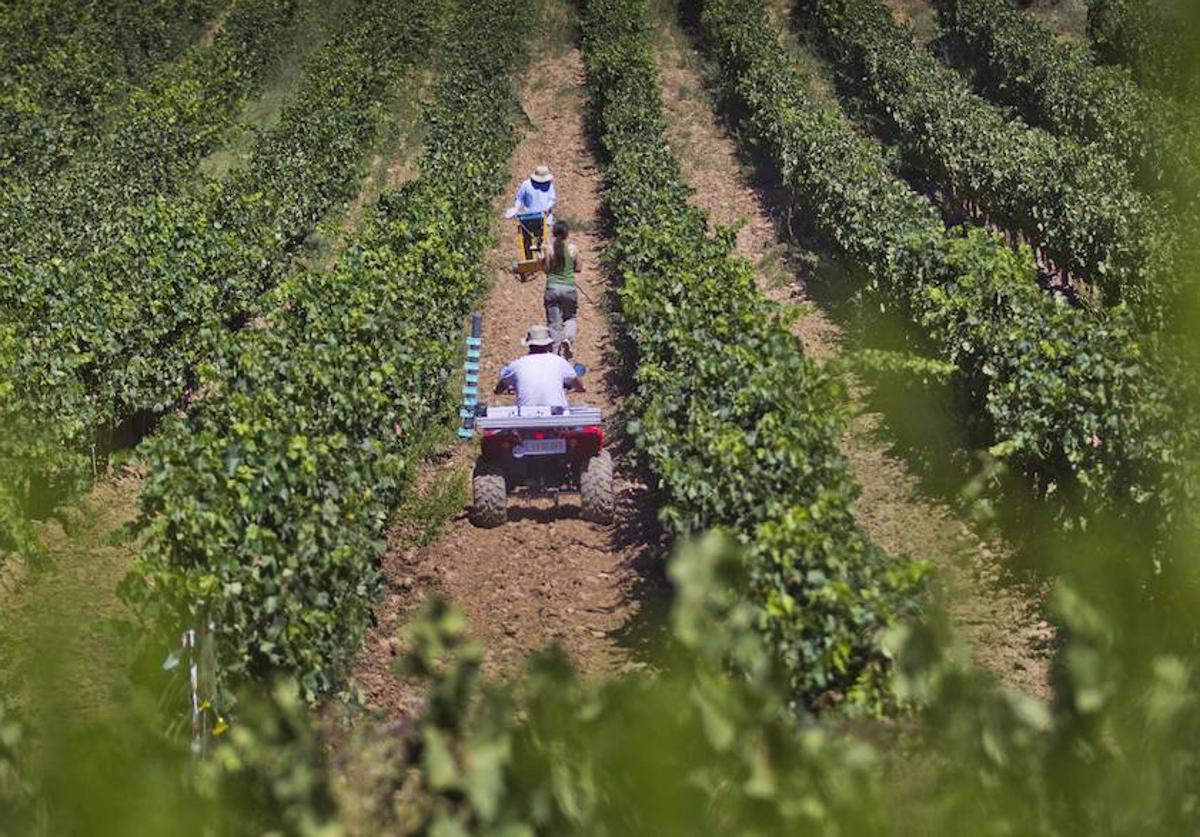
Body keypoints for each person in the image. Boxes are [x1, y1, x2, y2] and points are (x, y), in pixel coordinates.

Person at [495, 324, 584, 409]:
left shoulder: (517, 365)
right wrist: (579, 388)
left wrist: (500, 390)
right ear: (548, 345)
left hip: (526, 418)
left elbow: (501, 385)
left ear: (529, 345)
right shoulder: (559, 362)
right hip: (556, 417)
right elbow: (576, 383)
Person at [541, 220, 580, 358]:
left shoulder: (549, 249)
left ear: (553, 233)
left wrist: (543, 256)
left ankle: (555, 353)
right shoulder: (573, 249)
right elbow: (578, 268)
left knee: (554, 324)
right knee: (570, 317)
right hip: (569, 288)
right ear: (567, 233)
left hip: (552, 288)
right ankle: (568, 339)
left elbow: (546, 270)